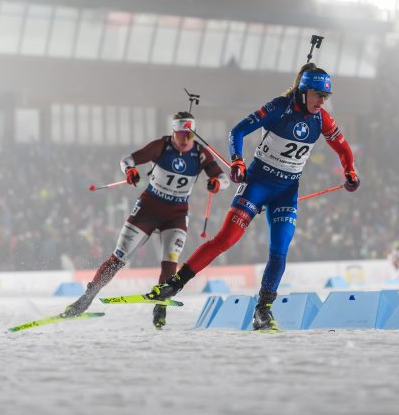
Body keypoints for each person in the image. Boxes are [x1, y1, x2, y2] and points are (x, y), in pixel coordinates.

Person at [145, 63, 360, 330]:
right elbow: (237, 131)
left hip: (286, 191)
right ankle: (174, 285)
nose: (322, 101)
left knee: (279, 251)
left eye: (325, 96)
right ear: (304, 91)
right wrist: (237, 162)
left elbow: (342, 147)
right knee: (226, 239)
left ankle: (263, 311)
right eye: (318, 95)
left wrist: (350, 171)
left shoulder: (322, 119)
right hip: (257, 183)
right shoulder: (278, 107)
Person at [62, 111, 229, 328]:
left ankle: (160, 309)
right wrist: (130, 170)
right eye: (181, 135)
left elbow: (224, 179)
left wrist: (217, 184)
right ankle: (85, 299)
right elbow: (127, 160)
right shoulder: (161, 146)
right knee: (119, 258)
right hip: (149, 209)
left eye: (189, 135)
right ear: (174, 132)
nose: (185, 140)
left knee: (170, 262)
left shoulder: (201, 153)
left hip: (176, 214)